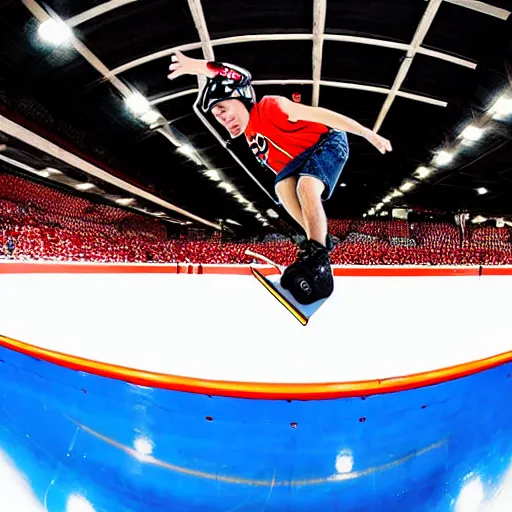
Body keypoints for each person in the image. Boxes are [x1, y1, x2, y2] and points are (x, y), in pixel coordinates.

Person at [167, 51, 392, 304]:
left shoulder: (271, 106)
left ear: (238, 98)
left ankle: (318, 255)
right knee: (283, 188)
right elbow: (285, 177)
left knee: (307, 186)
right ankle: (316, 245)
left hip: (327, 141)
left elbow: (322, 114)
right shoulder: (252, 140)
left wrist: (366, 133)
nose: (223, 119)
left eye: (223, 109)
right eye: (217, 117)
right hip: (298, 161)